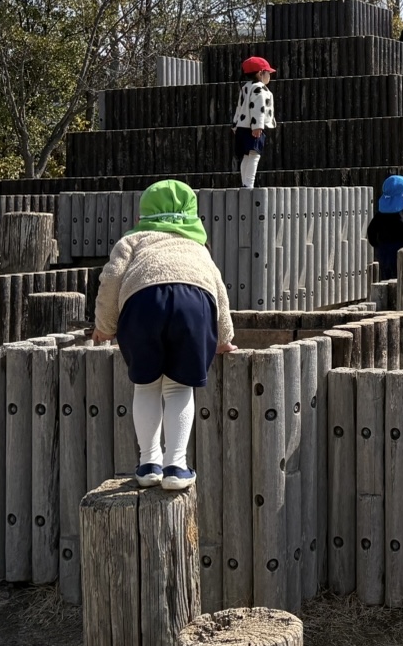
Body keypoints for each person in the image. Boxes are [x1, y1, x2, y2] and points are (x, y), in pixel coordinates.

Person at [92, 180, 235, 490]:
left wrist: (105, 325)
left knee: (146, 386)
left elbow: (111, 279)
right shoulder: (197, 247)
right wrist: (224, 337)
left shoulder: (133, 241)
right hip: (194, 304)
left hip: (142, 304)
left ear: (143, 215)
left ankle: (148, 464)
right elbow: (219, 290)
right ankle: (176, 466)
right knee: (179, 388)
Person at [233, 56, 277, 189]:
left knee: (246, 156)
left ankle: (245, 183)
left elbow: (239, 108)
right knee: (254, 155)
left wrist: (235, 124)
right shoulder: (260, 89)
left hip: (242, 127)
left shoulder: (246, 87)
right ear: (260, 73)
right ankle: (249, 184)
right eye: (268, 73)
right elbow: (258, 108)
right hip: (252, 128)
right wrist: (258, 126)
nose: (269, 75)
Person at [367, 175, 403, 279]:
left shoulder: (380, 214)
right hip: (401, 253)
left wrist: (377, 245)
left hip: (383, 252)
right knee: (401, 279)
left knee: (385, 279)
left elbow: (371, 231)